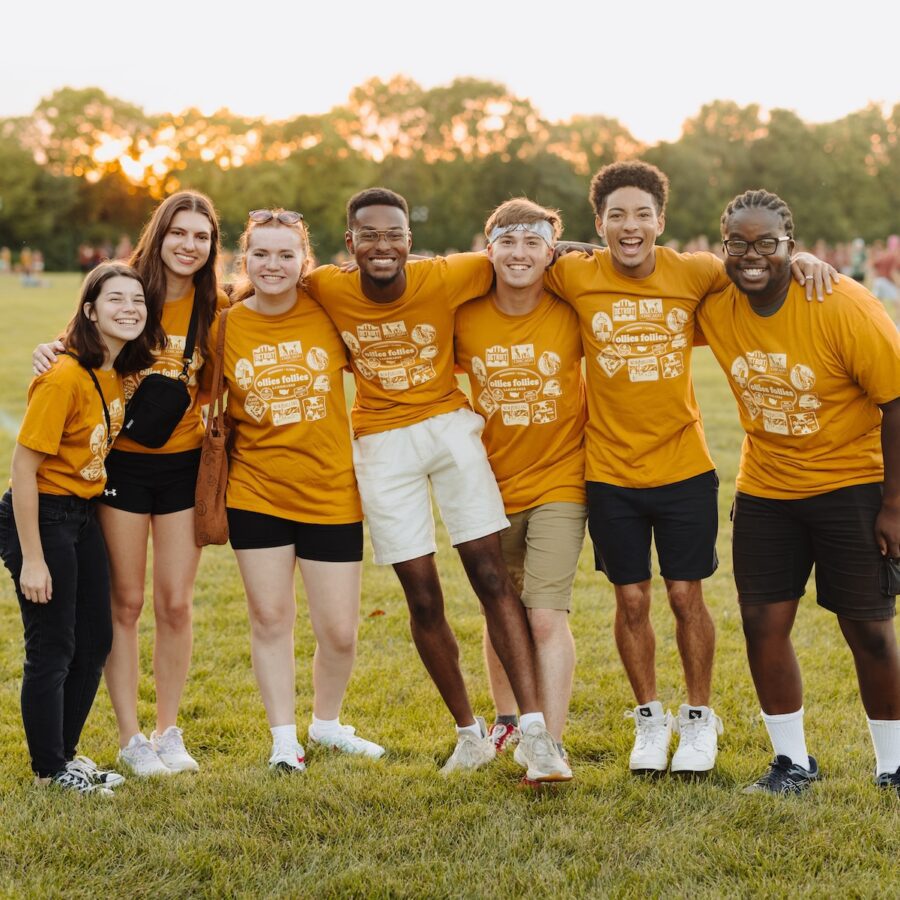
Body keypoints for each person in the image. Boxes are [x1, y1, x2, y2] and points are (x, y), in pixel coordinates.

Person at [545, 161, 834, 775]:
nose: (630, 227)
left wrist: (804, 258)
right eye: (616, 216)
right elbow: (514, 266)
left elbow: (760, 264)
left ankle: (699, 719)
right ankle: (650, 719)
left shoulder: (695, 270)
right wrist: (554, 244)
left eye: (642, 214)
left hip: (683, 466)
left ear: (661, 221)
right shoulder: (572, 272)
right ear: (599, 225)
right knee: (630, 601)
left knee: (683, 595)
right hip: (609, 470)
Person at [305, 188, 571, 781]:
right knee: (422, 596)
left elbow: (538, 249)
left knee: (490, 575)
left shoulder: (451, 274)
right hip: (380, 444)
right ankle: (469, 734)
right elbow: (254, 290)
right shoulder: (325, 285)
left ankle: (534, 733)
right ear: (350, 243)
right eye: (368, 234)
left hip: (450, 428)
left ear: (409, 241)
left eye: (393, 234)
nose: (382, 244)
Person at [696, 189, 900, 795]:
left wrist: (894, 504)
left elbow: (895, 402)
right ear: (722, 246)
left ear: (791, 244)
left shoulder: (841, 304)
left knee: (868, 629)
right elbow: (625, 265)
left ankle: (893, 765)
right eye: (739, 243)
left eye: (768, 243)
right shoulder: (714, 301)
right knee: (763, 623)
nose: (752, 255)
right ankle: (792, 763)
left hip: (853, 485)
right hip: (766, 487)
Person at [33, 191, 230, 776]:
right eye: (179, 233)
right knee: (126, 601)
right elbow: (80, 344)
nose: (189, 245)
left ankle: (169, 731)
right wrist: (51, 348)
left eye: (201, 236)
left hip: (183, 467)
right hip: (119, 467)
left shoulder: (214, 306)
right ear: (159, 235)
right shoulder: (128, 288)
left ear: (211, 246)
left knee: (174, 602)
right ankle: (131, 738)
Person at [215, 209, 383, 771]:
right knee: (270, 619)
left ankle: (328, 724)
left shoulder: (328, 313)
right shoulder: (226, 325)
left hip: (331, 490)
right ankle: (284, 737)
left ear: (303, 261)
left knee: (338, 631)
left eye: (286, 254)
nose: (273, 264)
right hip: (256, 491)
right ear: (246, 260)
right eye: (261, 253)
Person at [0, 263, 155, 794]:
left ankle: (66, 756)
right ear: (90, 310)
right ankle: (48, 771)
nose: (129, 307)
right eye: (115, 299)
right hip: (42, 515)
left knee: (96, 639)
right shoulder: (63, 375)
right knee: (53, 645)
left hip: (81, 515)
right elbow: (23, 469)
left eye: (137, 298)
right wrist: (34, 557)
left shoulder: (112, 371)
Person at [454, 199, 585, 762]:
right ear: (489, 251)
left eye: (534, 242)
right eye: (508, 242)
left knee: (545, 613)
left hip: (561, 479)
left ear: (551, 252)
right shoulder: (465, 314)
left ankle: (549, 744)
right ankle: (508, 720)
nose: (520, 253)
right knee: (498, 605)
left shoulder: (570, 306)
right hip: (490, 484)